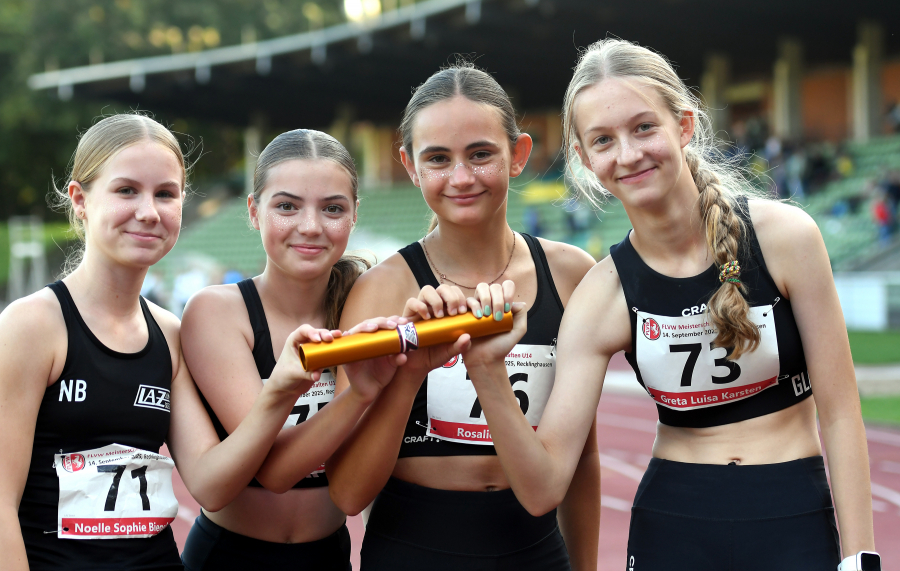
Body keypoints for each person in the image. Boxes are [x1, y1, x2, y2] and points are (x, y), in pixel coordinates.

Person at [453, 39, 879, 570]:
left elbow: (840, 411)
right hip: (672, 528)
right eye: (603, 140)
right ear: (584, 158)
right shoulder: (602, 295)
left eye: (643, 127)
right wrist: (488, 374)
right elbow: (544, 488)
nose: (628, 154)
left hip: (789, 515)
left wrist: (861, 553)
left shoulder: (786, 238)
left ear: (683, 126)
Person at [0, 114, 334, 571]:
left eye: (165, 194)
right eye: (126, 191)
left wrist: (277, 392)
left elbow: (211, 485)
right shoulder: (33, 326)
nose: (148, 212)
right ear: (80, 199)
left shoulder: (169, 334)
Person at [327, 63, 601, 571]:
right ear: (410, 165)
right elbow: (347, 494)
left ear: (519, 154)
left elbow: (582, 457)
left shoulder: (571, 275)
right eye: (438, 159)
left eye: (480, 155)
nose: (460, 178)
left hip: (538, 553)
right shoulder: (382, 289)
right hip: (414, 551)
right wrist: (408, 376)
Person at [179, 129, 400, 571]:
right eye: (287, 206)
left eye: (332, 208)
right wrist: (358, 393)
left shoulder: (367, 306)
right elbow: (274, 468)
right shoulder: (219, 312)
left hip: (329, 554)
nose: (311, 226)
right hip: (229, 557)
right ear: (253, 211)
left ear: (355, 214)